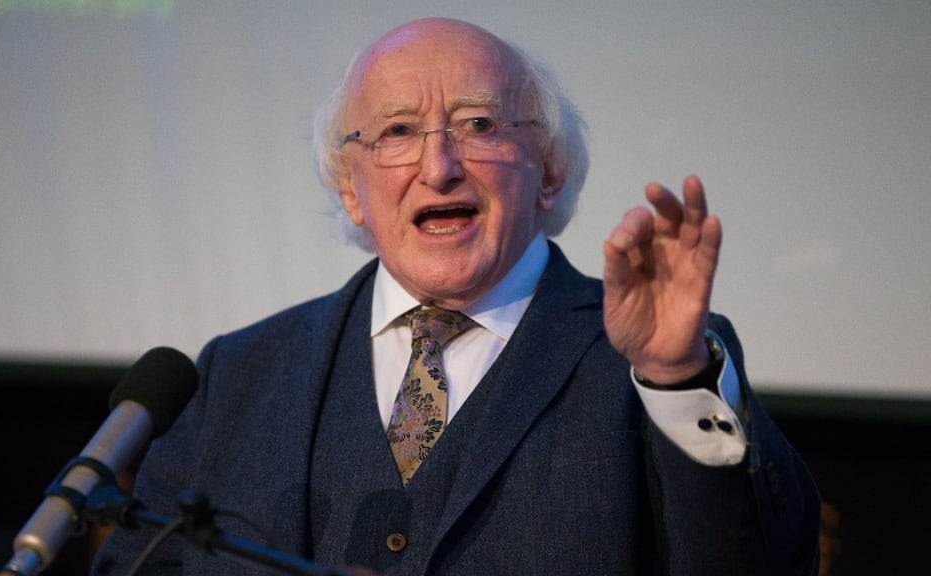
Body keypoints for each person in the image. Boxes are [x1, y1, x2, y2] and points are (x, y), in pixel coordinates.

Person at [92, 17, 820, 576]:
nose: (438, 166)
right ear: (351, 190)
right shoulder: (237, 375)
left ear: (549, 171)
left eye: (478, 125)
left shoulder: (661, 362)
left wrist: (676, 378)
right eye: (398, 132)